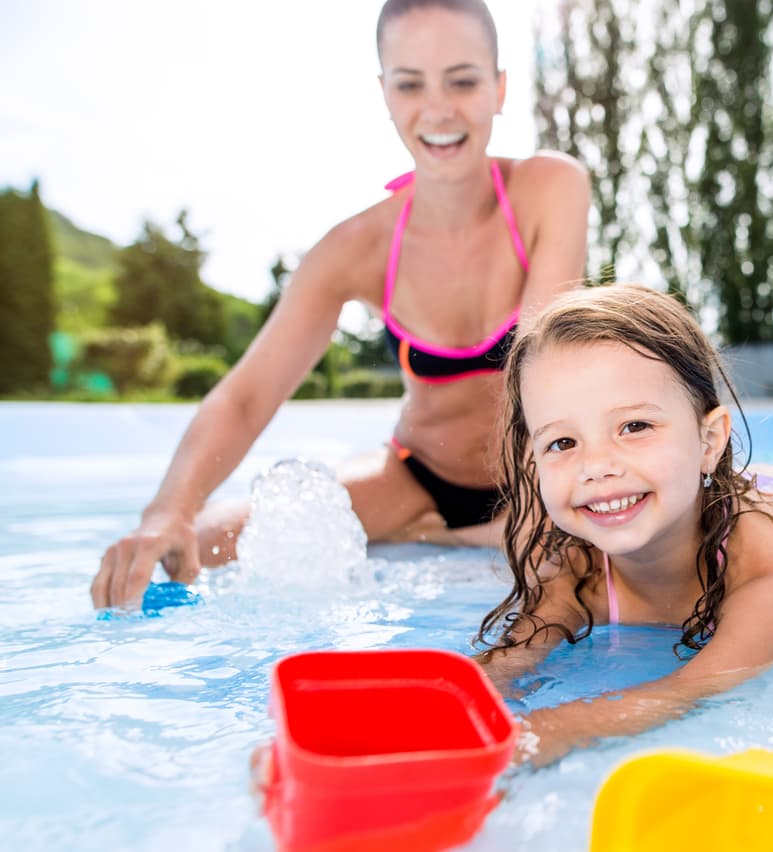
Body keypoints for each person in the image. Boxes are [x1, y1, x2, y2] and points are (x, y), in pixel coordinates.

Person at [91, 0, 590, 610]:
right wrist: (167, 510)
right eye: (410, 85)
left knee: (572, 550)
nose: (438, 110)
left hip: (538, 476)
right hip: (417, 476)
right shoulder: (354, 249)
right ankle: (445, 529)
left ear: (499, 88)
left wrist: (532, 517)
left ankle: (452, 534)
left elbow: (544, 375)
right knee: (200, 544)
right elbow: (247, 397)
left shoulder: (550, 188)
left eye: (462, 81)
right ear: (385, 95)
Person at [475, 284, 773, 766]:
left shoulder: (767, 564)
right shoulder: (573, 570)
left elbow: (691, 687)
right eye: (562, 443)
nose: (596, 467)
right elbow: (506, 663)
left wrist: (549, 731)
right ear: (533, 462)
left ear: (708, 441)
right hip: (713, 495)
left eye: (635, 427)